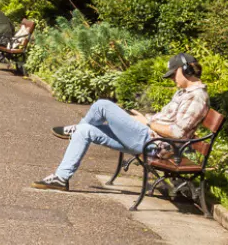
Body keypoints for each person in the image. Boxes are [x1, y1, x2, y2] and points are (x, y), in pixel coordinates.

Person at [34, 53, 211, 190]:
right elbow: (167, 120)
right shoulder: (183, 94)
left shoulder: (197, 97)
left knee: (102, 105)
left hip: (155, 144)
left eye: (174, 74)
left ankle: (76, 128)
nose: (172, 79)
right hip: (148, 137)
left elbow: (178, 133)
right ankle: (61, 178)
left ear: (186, 70)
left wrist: (146, 123)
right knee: (85, 132)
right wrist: (143, 119)